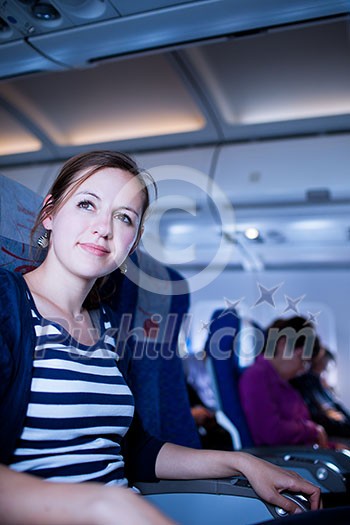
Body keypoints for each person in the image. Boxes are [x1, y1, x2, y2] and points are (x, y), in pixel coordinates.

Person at [0, 151, 321, 524]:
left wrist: (243, 462)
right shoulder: (8, 305)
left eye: (124, 218)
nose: (103, 228)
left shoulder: (109, 326)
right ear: (50, 213)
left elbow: (134, 450)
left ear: (132, 243)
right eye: (86, 204)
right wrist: (101, 505)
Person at [239, 316, 331, 448]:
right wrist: (312, 430)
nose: (302, 369)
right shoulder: (256, 376)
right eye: (301, 358)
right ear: (283, 344)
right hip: (281, 457)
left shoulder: (282, 382)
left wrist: (331, 446)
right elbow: (270, 432)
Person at [291, 346, 350, 440]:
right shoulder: (301, 384)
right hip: (331, 432)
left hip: (339, 427)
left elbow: (337, 407)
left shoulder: (320, 385)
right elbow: (316, 418)